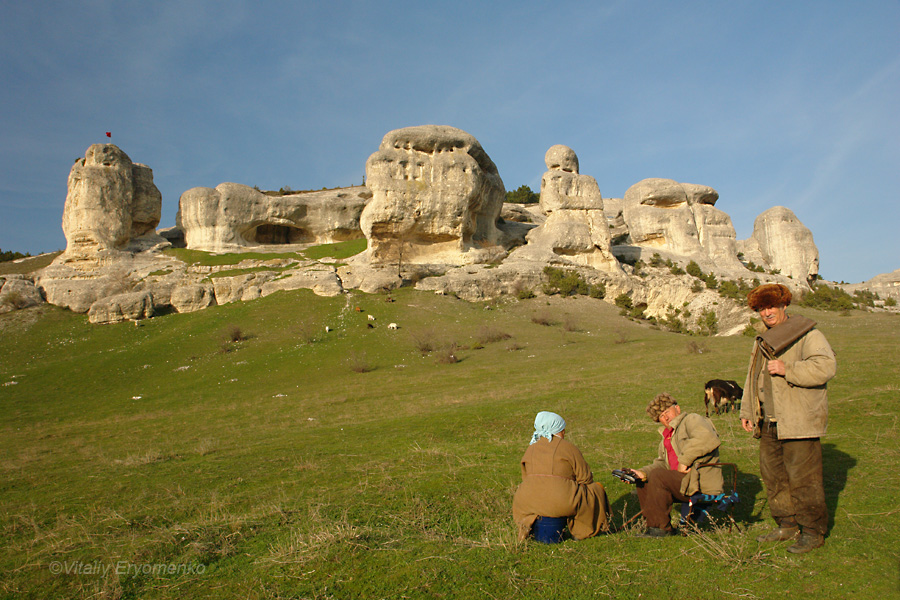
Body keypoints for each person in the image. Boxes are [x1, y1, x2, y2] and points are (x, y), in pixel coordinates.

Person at [740, 283, 836, 554]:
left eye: (771, 306)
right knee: (774, 476)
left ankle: (812, 531)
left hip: (798, 420)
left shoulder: (808, 334)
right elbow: (752, 377)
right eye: (761, 308)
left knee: (804, 479)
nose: (766, 313)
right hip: (769, 420)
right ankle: (787, 524)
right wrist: (748, 411)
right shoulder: (762, 339)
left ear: (784, 306)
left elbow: (826, 366)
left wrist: (787, 368)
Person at [629, 393, 723, 538]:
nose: (665, 418)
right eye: (661, 416)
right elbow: (661, 463)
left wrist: (684, 461)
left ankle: (660, 529)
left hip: (699, 481)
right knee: (644, 481)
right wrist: (641, 473)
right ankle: (654, 526)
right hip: (681, 481)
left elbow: (707, 438)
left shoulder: (692, 419)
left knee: (658, 476)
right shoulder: (666, 436)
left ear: (677, 409)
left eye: (667, 412)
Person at [512, 411, 610, 541]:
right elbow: (585, 478)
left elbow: (525, 477)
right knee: (594, 490)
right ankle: (582, 531)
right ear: (557, 429)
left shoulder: (530, 448)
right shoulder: (568, 448)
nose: (564, 433)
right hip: (560, 501)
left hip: (526, 504)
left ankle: (531, 530)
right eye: (563, 429)